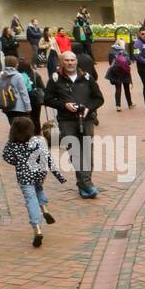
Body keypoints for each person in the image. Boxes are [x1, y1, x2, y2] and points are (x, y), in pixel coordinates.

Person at [47, 50, 105, 199]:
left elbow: (99, 99)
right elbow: (47, 99)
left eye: (72, 60)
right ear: (61, 62)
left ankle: (84, 185)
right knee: (75, 152)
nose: (70, 63)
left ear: (76, 61)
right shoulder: (55, 79)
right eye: (67, 60)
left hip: (86, 119)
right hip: (67, 120)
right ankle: (87, 185)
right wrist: (64, 105)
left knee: (87, 152)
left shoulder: (87, 77)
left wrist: (88, 108)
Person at [0, 115, 65, 247]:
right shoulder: (38, 140)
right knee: (39, 188)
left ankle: (37, 228)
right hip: (40, 172)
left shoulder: (11, 144)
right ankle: (45, 209)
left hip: (24, 175)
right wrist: (59, 176)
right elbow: (47, 158)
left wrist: (18, 162)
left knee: (30, 199)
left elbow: (6, 157)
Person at [105, 40, 134, 111]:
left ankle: (118, 106)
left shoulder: (111, 51)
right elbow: (129, 62)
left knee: (118, 89)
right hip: (125, 72)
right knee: (126, 89)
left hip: (115, 71)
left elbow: (110, 62)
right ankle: (130, 104)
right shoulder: (124, 51)